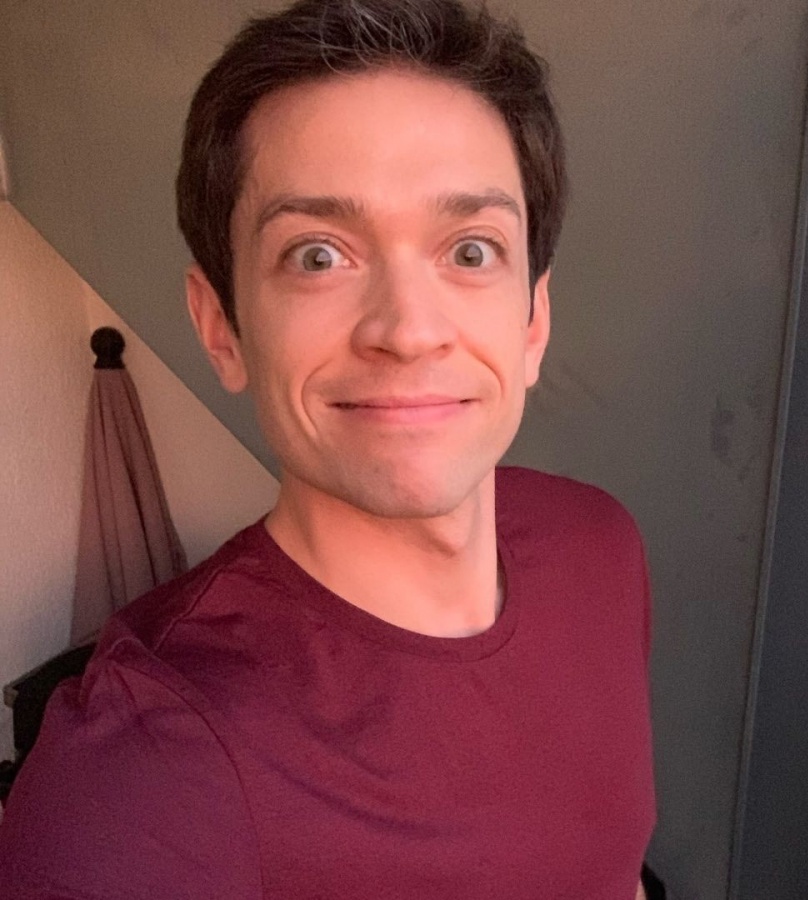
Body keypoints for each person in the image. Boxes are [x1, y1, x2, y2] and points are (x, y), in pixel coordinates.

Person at [0, 1, 655, 897]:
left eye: (471, 251)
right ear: (222, 327)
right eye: (317, 256)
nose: (408, 330)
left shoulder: (599, 547)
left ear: (533, 320)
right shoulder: (140, 782)